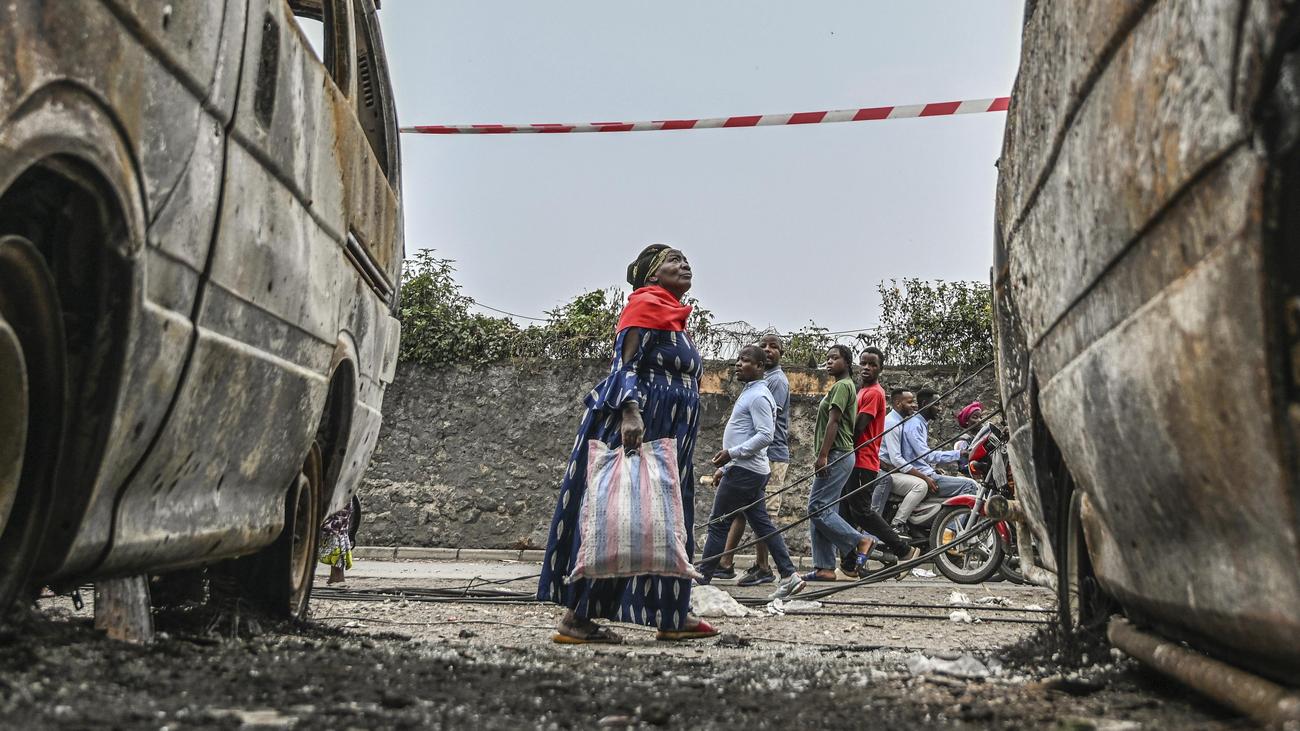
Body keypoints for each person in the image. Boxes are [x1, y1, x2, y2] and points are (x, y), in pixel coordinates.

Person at [538, 244, 717, 644]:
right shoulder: (644, 307)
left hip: (674, 432)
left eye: (687, 259)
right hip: (645, 424)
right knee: (624, 516)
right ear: (652, 274)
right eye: (674, 260)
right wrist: (630, 411)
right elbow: (624, 365)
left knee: (667, 519)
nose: (685, 264)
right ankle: (577, 618)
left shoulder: (674, 317)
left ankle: (671, 615)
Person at [696, 345, 805, 600]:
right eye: (737, 360)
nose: (738, 364)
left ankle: (703, 579)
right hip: (745, 469)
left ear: (759, 367)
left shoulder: (759, 396)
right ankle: (790, 575)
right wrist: (726, 466)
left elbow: (765, 435)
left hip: (745, 471)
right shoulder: (751, 392)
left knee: (718, 523)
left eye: (745, 361)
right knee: (761, 523)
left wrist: (731, 455)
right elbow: (744, 433)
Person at [838, 348, 918, 571]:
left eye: (872, 364)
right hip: (853, 460)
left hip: (863, 461)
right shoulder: (861, 392)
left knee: (861, 512)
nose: (866, 368)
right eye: (863, 363)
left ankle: (904, 550)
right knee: (845, 512)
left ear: (880, 368)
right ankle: (848, 565)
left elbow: (858, 428)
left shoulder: (874, 393)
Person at [804, 344, 879, 582]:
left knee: (816, 508)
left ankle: (860, 541)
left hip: (837, 454)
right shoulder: (842, 387)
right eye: (827, 358)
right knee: (823, 510)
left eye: (834, 358)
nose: (829, 362)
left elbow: (834, 423)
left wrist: (823, 455)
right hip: (838, 454)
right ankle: (824, 567)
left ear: (847, 363)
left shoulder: (843, 387)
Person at [725, 333, 791, 588]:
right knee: (747, 511)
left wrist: (734, 453)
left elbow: (765, 429)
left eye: (774, 346)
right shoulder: (757, 383)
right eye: (763, 346)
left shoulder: (773, 383)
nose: (767, 350)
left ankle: (765, 566)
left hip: (770, 454)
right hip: (756, 455)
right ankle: (726, 562)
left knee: (762, 514)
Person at [900, 387, 979, 502]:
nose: (940, 409)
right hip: (921, 475)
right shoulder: (914, 425)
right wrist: (959, 454)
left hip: (925, 471)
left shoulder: (920, 423)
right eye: (936, 405)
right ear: (925, 404)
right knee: (970, 485)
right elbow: (926, 455)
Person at [877, 388, 933, 537]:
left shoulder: (901, 421)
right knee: (920, 486)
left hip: (894, 469)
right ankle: (897, 524)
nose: (914, 405)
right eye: (910, 402)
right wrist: (924, 476)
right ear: (898, 403)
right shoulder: (891, 423)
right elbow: (896, 459)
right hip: (887, 471)